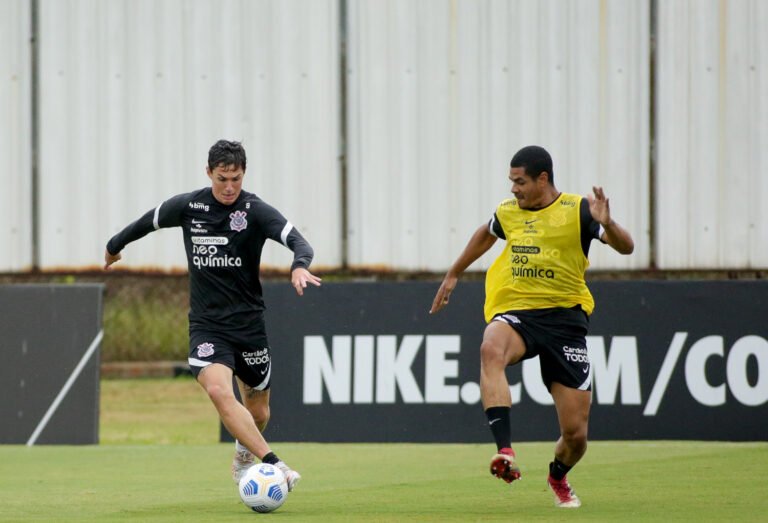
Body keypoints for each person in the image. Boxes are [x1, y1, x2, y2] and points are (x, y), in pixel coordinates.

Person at [104, 139, 321, 491]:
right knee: (220, 391)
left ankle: (244, 452)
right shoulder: (189, 206)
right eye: (222, 178)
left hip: (249, 326)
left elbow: (300, 243)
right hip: (208, 327)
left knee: (259, 412)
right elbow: (148, 221)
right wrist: (115, 245)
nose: (229, 186)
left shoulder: (256, 211)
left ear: (243, 174)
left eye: (235, 178)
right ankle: (274, 463)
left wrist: (299, 266)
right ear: (209, 173)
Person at [429, 145, 633, 508]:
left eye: (519, 181)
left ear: (543, 179)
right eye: (511, 181)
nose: (513, 189)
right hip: (519, 312)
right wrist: (453, 273)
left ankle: (557, 475)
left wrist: (608, 223)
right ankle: (505, 451)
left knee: (576, 436)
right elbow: (486, 233)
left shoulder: (578, 211)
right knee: (490, 346)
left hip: (566, 322)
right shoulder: (510, 213)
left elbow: (627, 248)